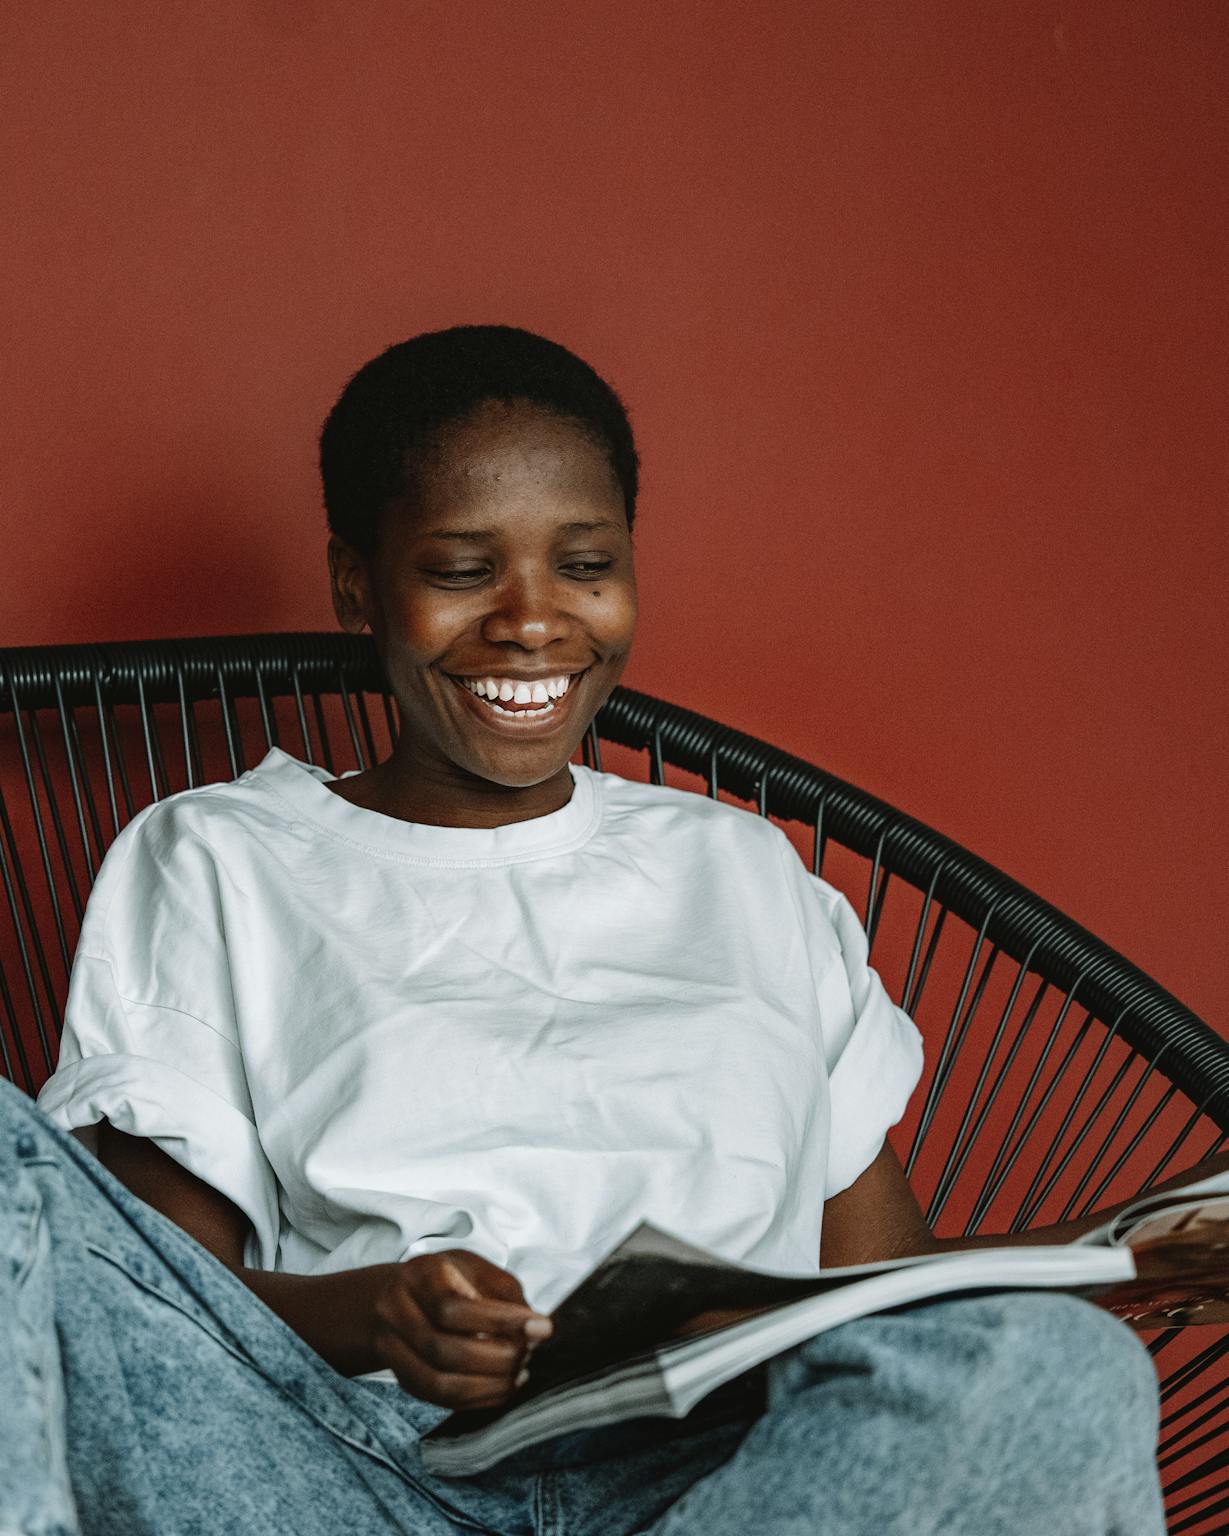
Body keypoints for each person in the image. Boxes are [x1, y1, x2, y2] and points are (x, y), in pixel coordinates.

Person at [4, 325, 1174, 1535]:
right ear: (359, 584)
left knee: (1056, 1365)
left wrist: (1127, 1256)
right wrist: (378, 1314)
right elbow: (151, 1300)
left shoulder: (738, 874)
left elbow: (879, 1303)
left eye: (583, 564)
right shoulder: (219, 857)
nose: (531, 621)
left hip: (728, 1489)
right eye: (461, 570)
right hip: (358, 1479)